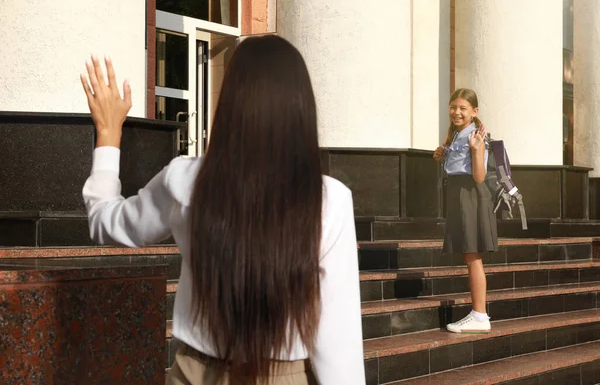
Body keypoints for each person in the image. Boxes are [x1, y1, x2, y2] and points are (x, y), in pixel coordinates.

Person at [80, 35, 365, 384]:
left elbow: (106, 223)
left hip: (194, 374)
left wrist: (108, 135)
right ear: (301, 107)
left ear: (231, 101)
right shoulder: (330, 200)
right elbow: (339, 341)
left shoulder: (185, 179)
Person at [433, 88, 498, 334]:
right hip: (460, 194)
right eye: (453, 107)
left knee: (472, 255)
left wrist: (476, 149)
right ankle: (478, 314)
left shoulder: (475, 137)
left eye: (463, 108)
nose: (457, 112)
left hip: (470, 195)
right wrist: (442, 155)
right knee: (469, 255)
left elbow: (479, 178)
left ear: (474, 111)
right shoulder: (457, 135)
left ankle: (480, 316)